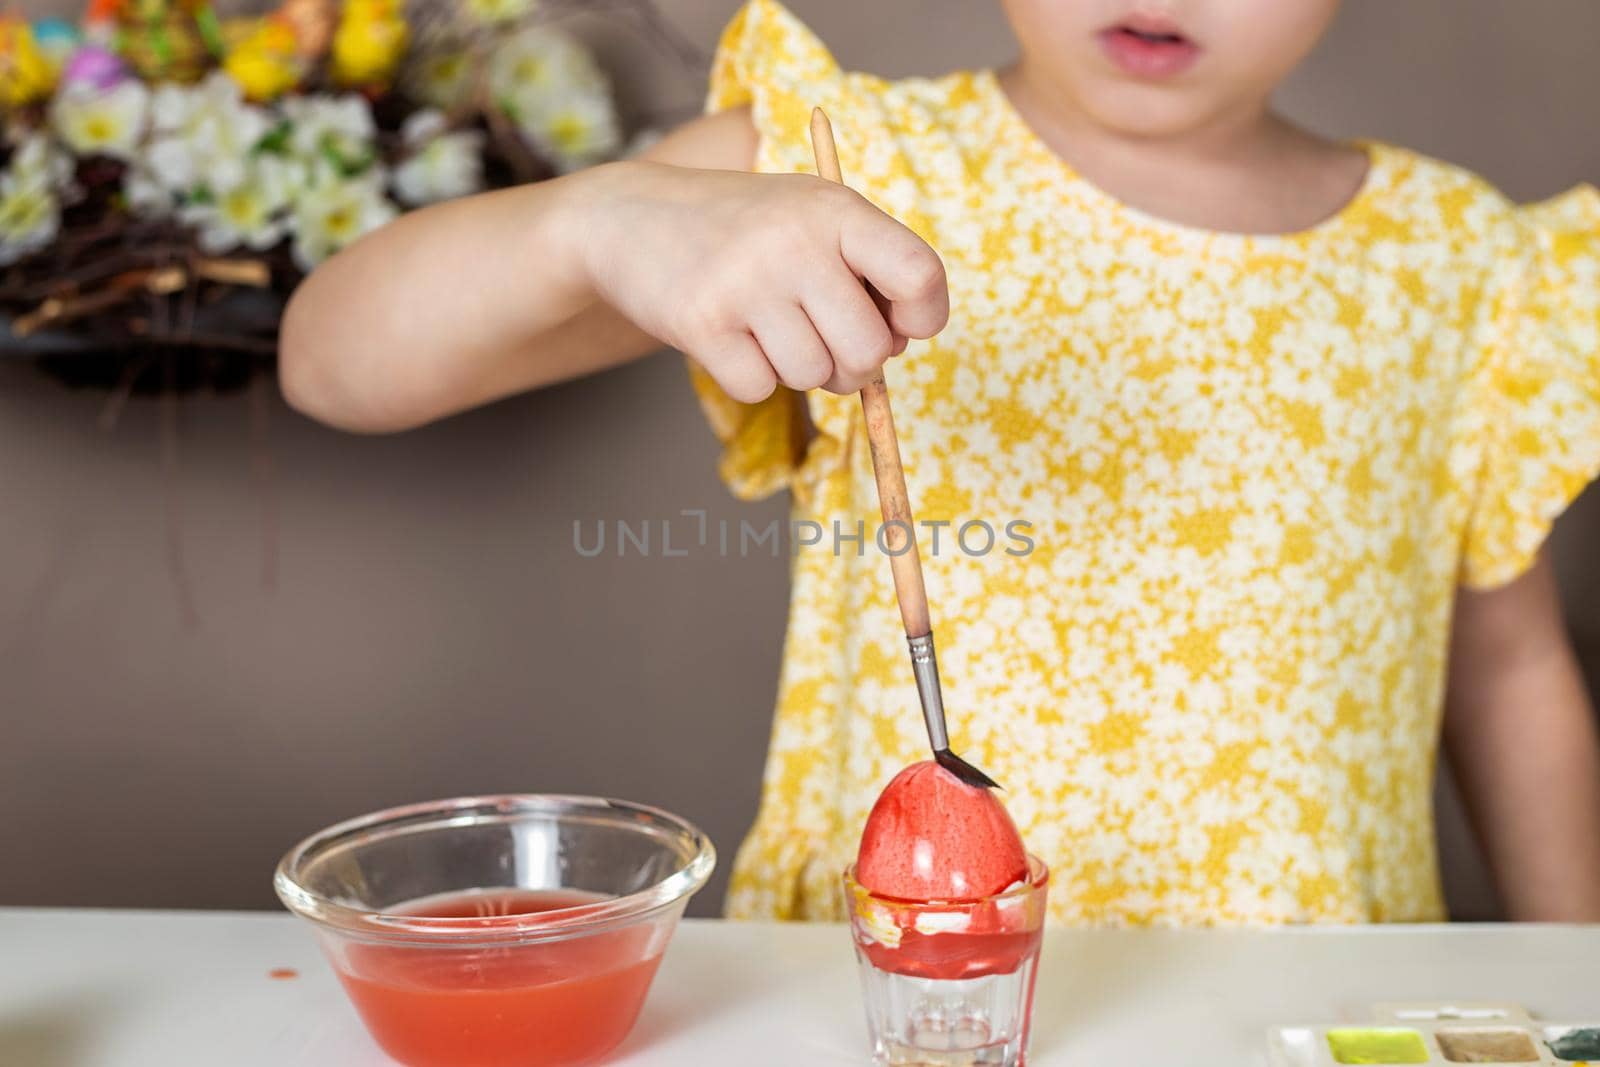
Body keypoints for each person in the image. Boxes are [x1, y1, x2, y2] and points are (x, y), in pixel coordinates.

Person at [279, 0, 1600, 925]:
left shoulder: (1462, 258)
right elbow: (334, 364)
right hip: (896, 993)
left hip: (1295, 1005)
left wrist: (1573, 978)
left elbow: (1506, 664)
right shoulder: (838, 177)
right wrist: (599, 219)